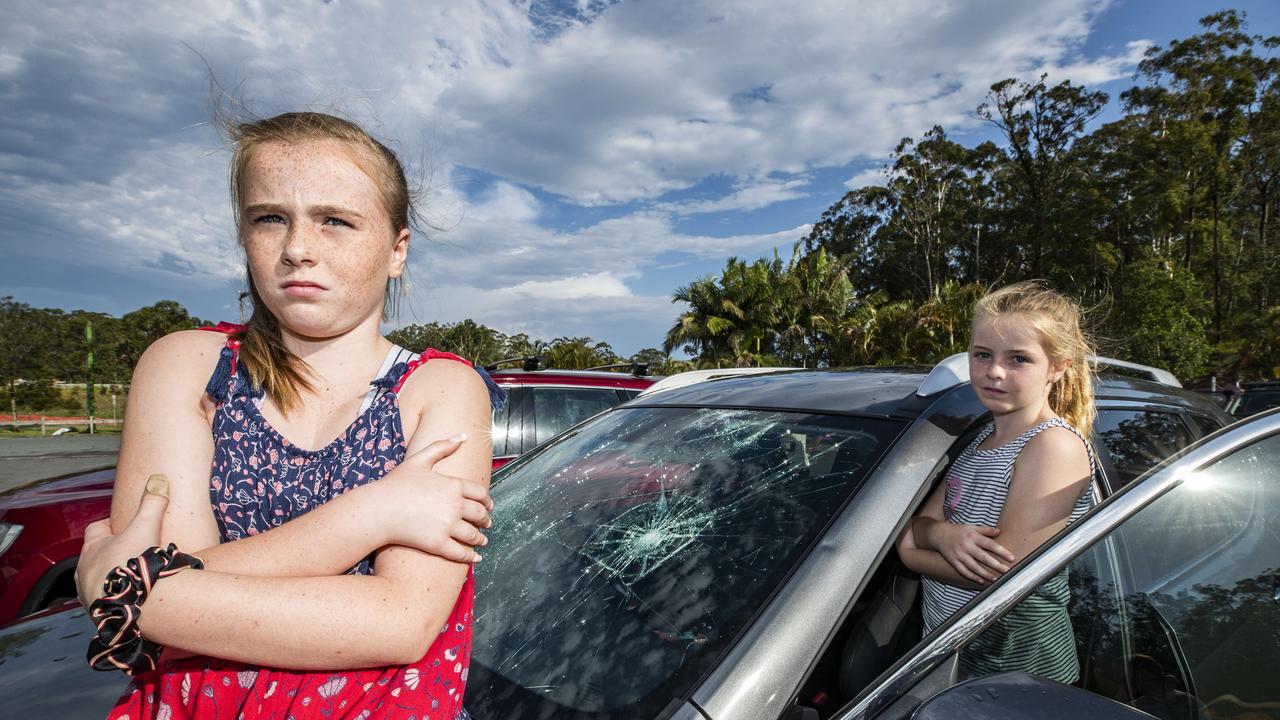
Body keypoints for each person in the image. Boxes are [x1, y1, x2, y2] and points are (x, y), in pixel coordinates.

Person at [73, 111, 503, 719]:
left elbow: (400, 622)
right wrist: (371, 513)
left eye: (336, 221)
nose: (298, 249)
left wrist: (125, 595)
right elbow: (155, 589)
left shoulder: (441, 389)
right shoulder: (186, 366)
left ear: (396, 249)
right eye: (270, 218)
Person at [895, 280, 1097, 683]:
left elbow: (996, 578)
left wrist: (914, 549)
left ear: (1058, 367)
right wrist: (943, 538)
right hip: (948, 650)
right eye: (982, 354)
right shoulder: (976, 443)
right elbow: (918, 527)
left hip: (1017, 670)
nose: (994, 371)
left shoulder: (1052, 446)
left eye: (1018, 358)